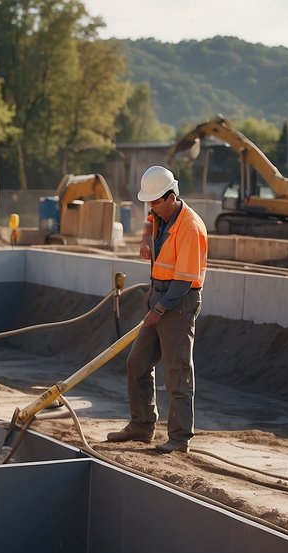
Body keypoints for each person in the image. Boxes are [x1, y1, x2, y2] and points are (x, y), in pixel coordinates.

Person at [105, 165, 208, 453]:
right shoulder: (161, 213)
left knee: (177, 373)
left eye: (155, 202)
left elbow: (184, 282)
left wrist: (159, 309)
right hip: (159, 296)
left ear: (171, 197)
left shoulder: (189, 227)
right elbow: (150, 219)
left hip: (178, 302)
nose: (151, 208)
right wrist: (144, 238)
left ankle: (179, 439)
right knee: (136, 363)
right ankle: (141, 426)